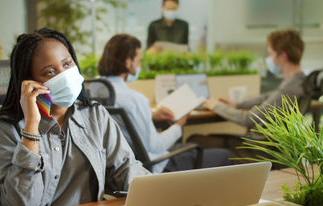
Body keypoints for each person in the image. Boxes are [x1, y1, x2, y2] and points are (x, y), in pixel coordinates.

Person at [0, 28, 149, 206]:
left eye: (67, 64)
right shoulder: (7, 128)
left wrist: (159, 191)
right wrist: (31, 127)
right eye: (49, 72)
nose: (63, 75)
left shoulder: (95, 115)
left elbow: (126, 169)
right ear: (30, 82)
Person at [98, 34, 233, 173]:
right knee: (224, 155)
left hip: (116, 169)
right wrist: (178, 126)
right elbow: (155, 147)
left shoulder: (93, 92)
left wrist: (151, 115)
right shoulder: (135, 99)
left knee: (190, 145)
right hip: (154, 167)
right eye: (138, 61)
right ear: (128, 62)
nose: (139, 66)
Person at [190, 29, 307, 162]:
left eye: (270, 53)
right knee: (202, 139)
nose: (268, 58)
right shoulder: (299, 82)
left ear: (282, 56)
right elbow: (268, 97)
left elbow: (250, 119)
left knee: (195, 141)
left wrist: (216, 106)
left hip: (260, 151)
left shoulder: (290, 90)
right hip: (267, 147)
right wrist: (237, 105)